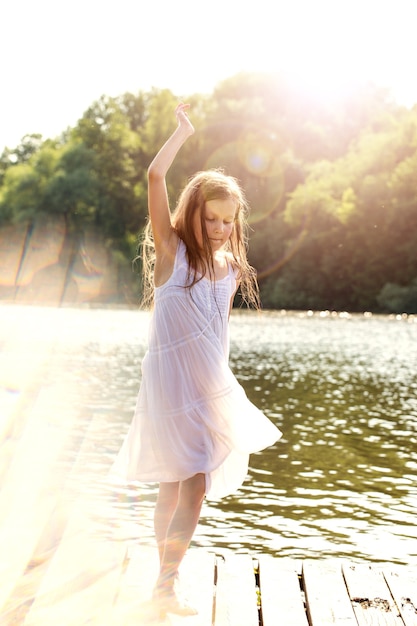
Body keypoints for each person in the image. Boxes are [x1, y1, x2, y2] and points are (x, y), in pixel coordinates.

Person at [113, 103, 282, 618]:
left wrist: (225, 392)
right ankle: (164, 582)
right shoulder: (172, 252)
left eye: (228, 221)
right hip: (169, 384)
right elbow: (156, 173)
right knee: (175, 479)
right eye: (211, 218)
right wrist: (182, 132)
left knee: (195, 484)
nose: (219, 228)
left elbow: (217, 336)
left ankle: (166, 580)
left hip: (208, 386)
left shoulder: (230, 269)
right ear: (193, 214)